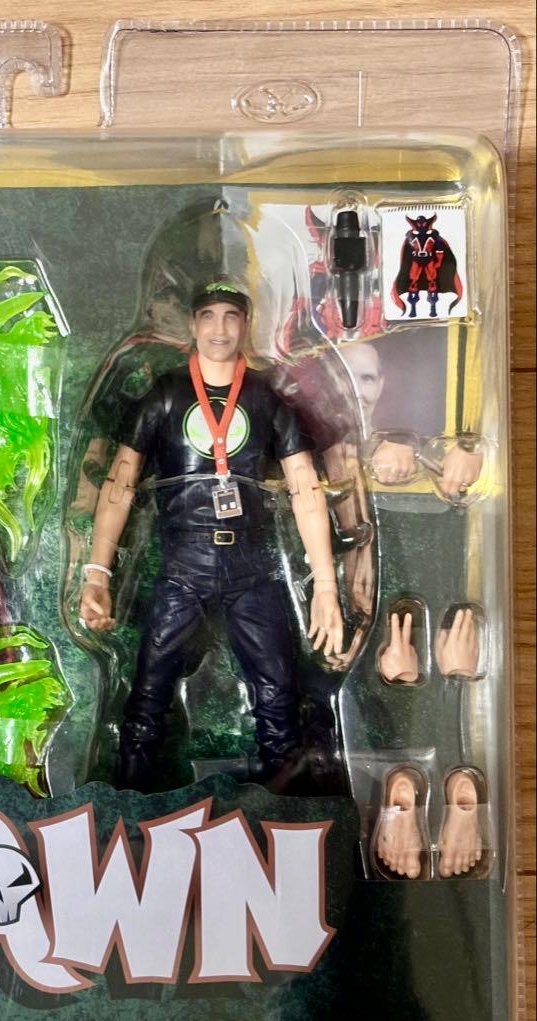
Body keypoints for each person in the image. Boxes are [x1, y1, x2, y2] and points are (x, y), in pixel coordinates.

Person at [79, 281, 343, 792]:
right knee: (147, 699)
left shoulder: (266, 397)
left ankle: (285, 818)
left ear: (246, 324)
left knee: (279, 703)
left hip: (253, 567)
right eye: (208, 316)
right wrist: (97, 573)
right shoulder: (166, 394)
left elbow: (305, 490)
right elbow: (119, 485)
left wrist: (326, 587)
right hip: (184, 564)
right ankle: (126, 809)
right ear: (193, 324)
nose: (219, 329)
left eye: (231, 316)